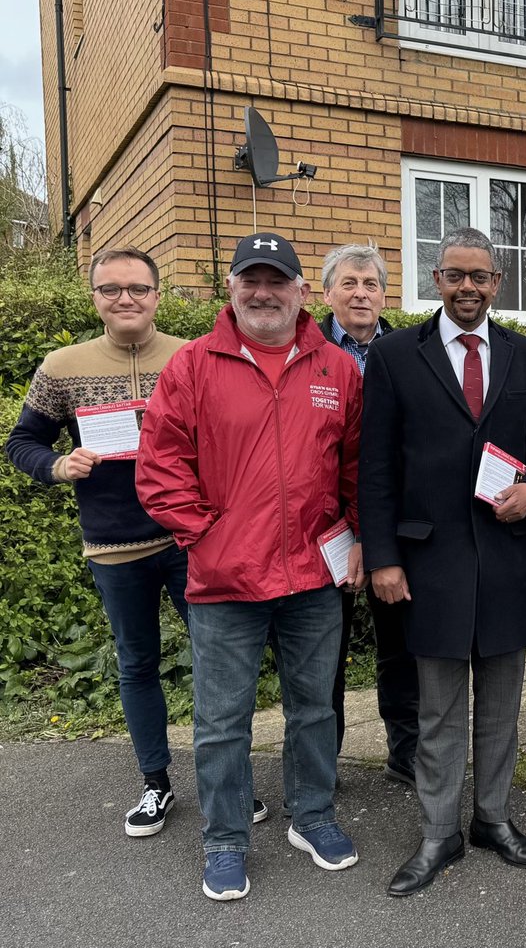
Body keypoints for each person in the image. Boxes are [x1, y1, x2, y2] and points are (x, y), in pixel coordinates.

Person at [136, 232, 364, 901]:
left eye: (277, 281)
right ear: (231, 288)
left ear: (301, 291)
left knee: (314, 711)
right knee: (221, 722)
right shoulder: (192, 365)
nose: (264, 293)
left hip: (313, 578)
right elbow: (160, 468)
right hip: (225, 580)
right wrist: (207, 537)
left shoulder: (337, 369)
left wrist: (357, 538)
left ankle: (312, 818)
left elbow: (358, 467)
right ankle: (226, 839)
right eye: (251, 280)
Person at [358, 227, 526, 898]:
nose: (467, 287)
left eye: (480, 276)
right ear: (436, 279)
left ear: (497, 283)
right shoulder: (393, 355)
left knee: (501, 706)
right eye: (455, 275)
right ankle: (438, 833)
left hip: (504, 556)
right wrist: (383, 558)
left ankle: (492, 820)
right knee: (439, 710)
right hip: (429, 561)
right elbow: (375, 466)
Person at [5, 247, 196, 837]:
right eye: (110, 289)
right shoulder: (63, 366)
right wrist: (58, 465)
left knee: (218, 662)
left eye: (137, 288)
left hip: (191, 540)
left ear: (157, 295)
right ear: (94, 298)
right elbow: (22, 442)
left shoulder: (192, 357)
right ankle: (156, 784)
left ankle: (227, 778)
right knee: (137, 665)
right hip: (115, 547)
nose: (125, 299)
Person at [318, 242, 419, 787]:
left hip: (393, 523)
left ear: (385, 295)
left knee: (400, 646)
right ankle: (321, 763)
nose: (361, 294)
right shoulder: (306, 351)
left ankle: (406, 753)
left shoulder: (410, 351)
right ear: (327, 293)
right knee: (323, 651)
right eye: (349, 283)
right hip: (324, 528)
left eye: (371, 284)